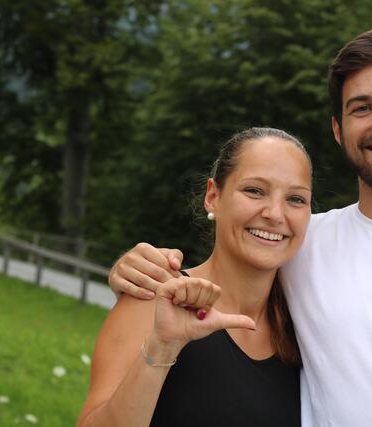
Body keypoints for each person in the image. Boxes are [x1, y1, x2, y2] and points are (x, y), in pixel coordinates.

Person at [109, 27, 372, 427]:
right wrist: (136, 269)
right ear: (339, 130)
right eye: (362, 109)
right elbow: (223, 263)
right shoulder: (299, 241)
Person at [77, 127, 313, 426]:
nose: (275, 214)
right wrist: (163, 346)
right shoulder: (155, 300)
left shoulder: (304, 324)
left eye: (296, 199)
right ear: (213, 196)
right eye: (255, 190)